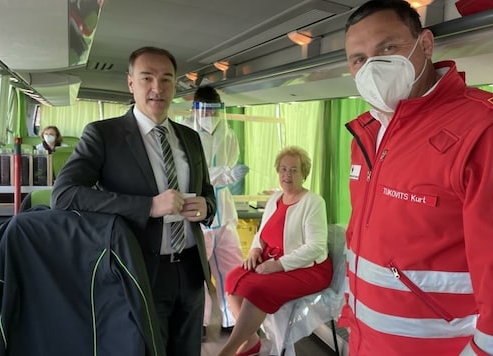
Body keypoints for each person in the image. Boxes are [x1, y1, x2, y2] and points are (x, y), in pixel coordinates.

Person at [341, 1, 493, 355]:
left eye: (387, 48)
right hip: (368, 343)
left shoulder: (491, 130)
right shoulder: (366, 134)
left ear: (425, 45)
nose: (373, 66)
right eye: (359, 59)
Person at [51, 46, 217, 356]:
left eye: (167, 79)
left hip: (191, 273)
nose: (158, 88)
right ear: (131, 83)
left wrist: (208, 208)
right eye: (147, 78)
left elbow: (208, 192)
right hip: (138, 270)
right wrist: (149, 206)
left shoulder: (191, 139)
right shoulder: (104, 135)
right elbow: (64, 194)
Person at [217, 146, 332, 356]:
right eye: (283, 169)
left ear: (304, 173)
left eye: (294, 170)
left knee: (256, 290)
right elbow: (261, 232)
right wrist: (254, 250)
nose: (287, 175)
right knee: (232, 279)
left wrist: (278, 265)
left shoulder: (314, 202)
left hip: (308, 268)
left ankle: (228, 350)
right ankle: (251, 340)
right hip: (271, 259)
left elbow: (315, 247)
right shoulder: (274, 199)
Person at [181, 85, 248, 330]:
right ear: (195, 109)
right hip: (200, 210)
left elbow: (229, 164)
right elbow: (193, 173)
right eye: (205, 111)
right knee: (197, 273)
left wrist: (229, 175)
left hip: (225, 210)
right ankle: (200, 322)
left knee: (232, 267)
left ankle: (233, 320)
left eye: (214, 110)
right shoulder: (184, 132)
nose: (210, 116)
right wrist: (226, 174)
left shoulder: (228, 133)